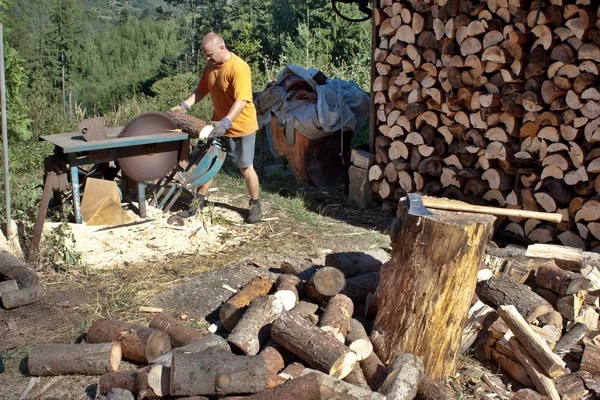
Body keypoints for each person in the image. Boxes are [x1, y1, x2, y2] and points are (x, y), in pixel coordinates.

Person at [171, 32, 261, 223]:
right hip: (218, 125)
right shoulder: (210, 66)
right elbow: (201, 90)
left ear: (222, 47)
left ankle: (255, 204)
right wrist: (184, 106)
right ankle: (198, 202)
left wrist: (226, 122)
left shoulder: (238, 67)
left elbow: (242, 99)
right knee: (209, 162)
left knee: (246, 168)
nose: (208, 58)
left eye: (210, 54)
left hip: (242, 126)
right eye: (205, 55)